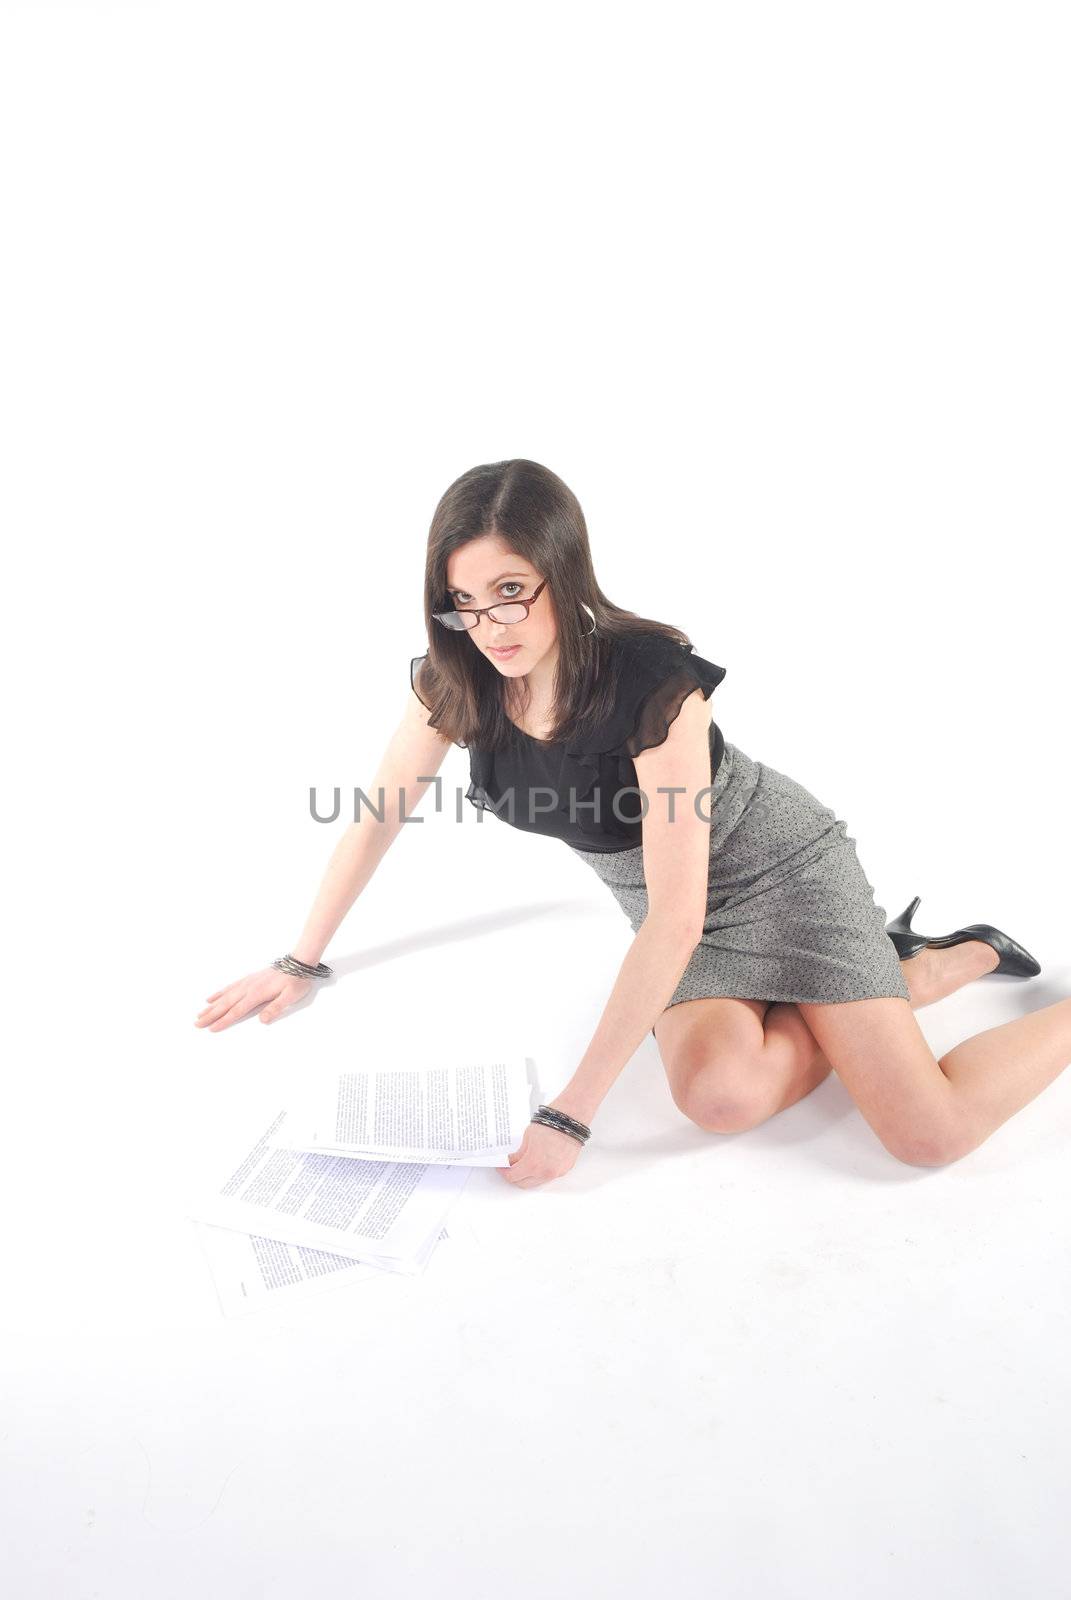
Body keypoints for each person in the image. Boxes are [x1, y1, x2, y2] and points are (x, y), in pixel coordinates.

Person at [196, 458, 1071, 1190]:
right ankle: (899, 973)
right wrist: (298, 960)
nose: (487, 625)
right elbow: (377, 817)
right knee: (720, 1099)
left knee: (929, 1136)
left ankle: (941, 960)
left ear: (560, 573)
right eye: (461, 600)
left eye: (509, 592)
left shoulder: (650, 680)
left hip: (780, 875)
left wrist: (569, 1112)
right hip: (671, 905)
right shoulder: (455, 679)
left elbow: (675, 915)